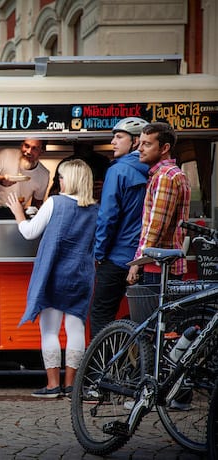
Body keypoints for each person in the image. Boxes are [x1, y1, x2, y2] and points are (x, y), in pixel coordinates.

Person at [6, 159, 98, 398]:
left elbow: (29, 232)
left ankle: (52, 385)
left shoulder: (54, 202)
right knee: (76, 328)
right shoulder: (95, 209)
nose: (59, 181)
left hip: (54, 275)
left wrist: (18, 214)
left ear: (72, 180)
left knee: (50, 331)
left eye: (62, 177)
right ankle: (71, 386)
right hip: (81, 275)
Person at [89, 118, 149, 339]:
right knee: (145, 319)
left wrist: (100, 253)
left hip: (116, 257)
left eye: (119, 136)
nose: (113, 141)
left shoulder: (119, 170)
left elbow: (108, 217)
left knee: (101, 315)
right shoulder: (153, 170)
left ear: (135, 142)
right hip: (145, 258)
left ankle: (104, 371)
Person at [127, 122, 191, 286]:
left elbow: (156, 227)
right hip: (165, 266)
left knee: (156, 311)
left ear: (164, 148)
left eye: (147, 144)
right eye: (140, 143)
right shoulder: (170, 174)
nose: (140, 149)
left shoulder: (165, 176)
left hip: (160, 267)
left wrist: (136, 263)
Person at [0, 138, 49, 210]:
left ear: (41, 151)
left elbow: (36, 203)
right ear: (22, 145)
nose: (29, 152)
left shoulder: (44, 174)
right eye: (26, 146)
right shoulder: (6, 154)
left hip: (18, 215)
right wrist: (1, 180)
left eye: (34, 148)